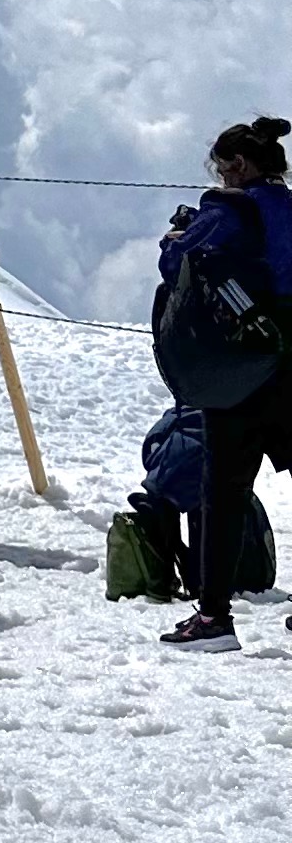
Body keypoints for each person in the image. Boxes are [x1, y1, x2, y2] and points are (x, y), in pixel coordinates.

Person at [154, 117, 292, 654]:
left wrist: (174, 239)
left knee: (224, 493)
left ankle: (214, 617)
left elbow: (178, 264)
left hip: (242, 369)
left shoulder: (228, 211)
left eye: (221, 168)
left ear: (238, 165)